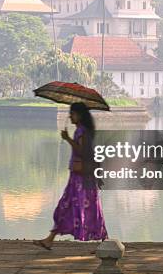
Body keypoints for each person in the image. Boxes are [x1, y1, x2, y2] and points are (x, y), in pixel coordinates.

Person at [33, 102, 108, 250]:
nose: (70, 116)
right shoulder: (83, 131)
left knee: (85, 207)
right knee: (67, 206)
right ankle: (49, 239)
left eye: (72, 113)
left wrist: (67, 139)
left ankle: (105, 241)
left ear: (79, 115)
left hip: (82, 177)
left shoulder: (82, 131)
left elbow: (83, 152)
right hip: (78, 177)